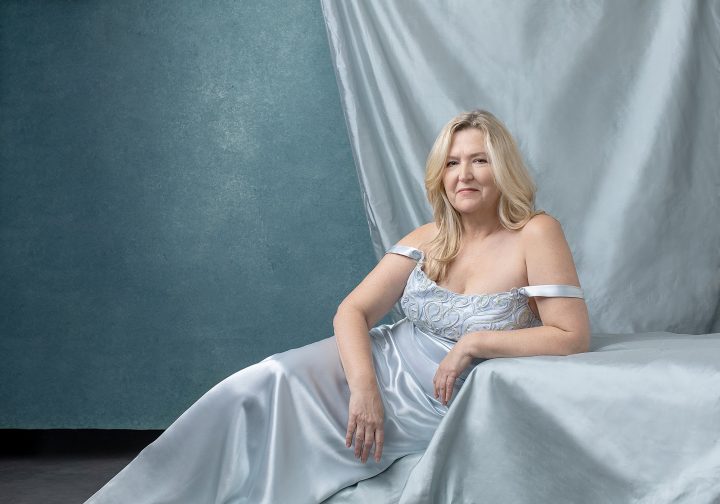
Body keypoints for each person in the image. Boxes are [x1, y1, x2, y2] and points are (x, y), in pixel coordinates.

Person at [84, 109, 590, 504]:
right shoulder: (426, 237)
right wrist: (364, 388)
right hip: (374, 365)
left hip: (434, 396)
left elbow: (570, 335)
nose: (465, 174)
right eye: (453, 163)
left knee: (296, 458)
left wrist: (475, 344)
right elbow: (352, 311)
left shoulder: (535, 233)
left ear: (502, 168)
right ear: (439, 176)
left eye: (479, 159)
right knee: (264, 381)